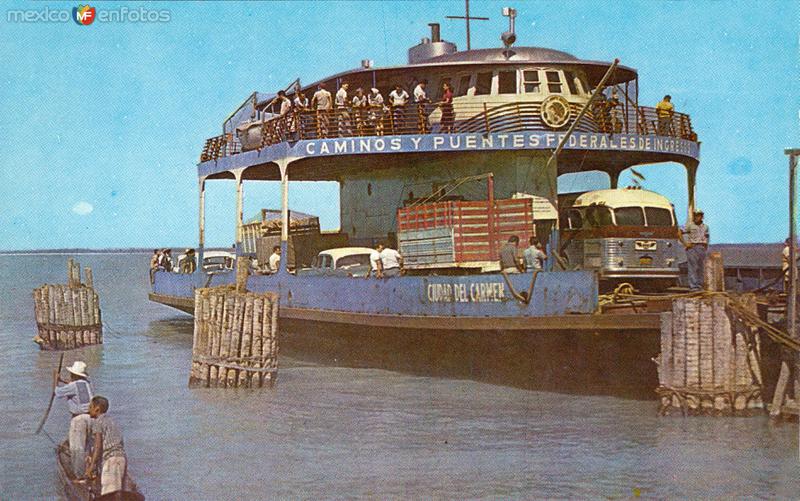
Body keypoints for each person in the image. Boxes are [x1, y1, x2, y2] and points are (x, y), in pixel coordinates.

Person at [54, 361, 94, 477]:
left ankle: (80, 476)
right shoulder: (87, 384)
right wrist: (62, 381)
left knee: (77, 448)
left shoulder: (72, 386)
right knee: (89, 446)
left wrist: (55, 381)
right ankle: (92, 471)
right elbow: (75, 387)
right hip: (91, 418)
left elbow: (58, 392)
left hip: (79, 419)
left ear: (74, 375)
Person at [85, 396, 128, 496]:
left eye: (90, 407)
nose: (88, 410)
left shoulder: (98, 422)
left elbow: (98, 446)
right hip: (122, 459)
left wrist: (91, 468)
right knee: (118, 493)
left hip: (111, 461)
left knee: (109, 495)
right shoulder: (112, 421)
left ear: (97, 409)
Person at [680, 210, 709, 290]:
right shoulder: (689, 225)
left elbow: (706, 236)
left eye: (698, 215)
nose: (696, 217)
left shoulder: (705, 227)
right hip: (692, 247)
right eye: (695, 215)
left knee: (701, 267)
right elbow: (679, 232)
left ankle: (700, 285)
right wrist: (685, 244)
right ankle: (693, 286)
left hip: (702, 247)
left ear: (701, 216)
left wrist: (706, 246)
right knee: (693, 267)